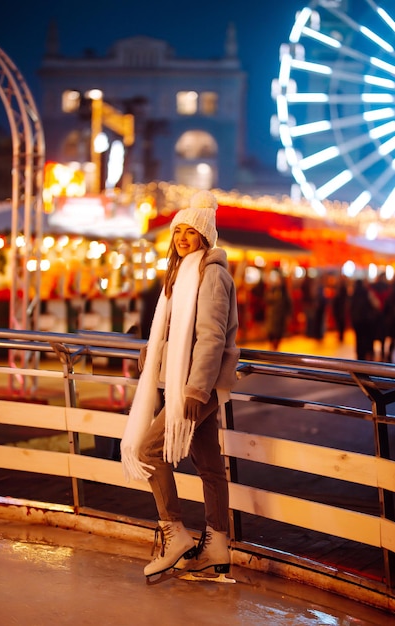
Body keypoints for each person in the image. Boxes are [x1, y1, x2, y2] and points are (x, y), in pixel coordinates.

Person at [121, 190, 239, 582]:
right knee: (209, 465)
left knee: (148, 450)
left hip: (195, 385)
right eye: (178, 232)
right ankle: (217, 545)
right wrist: (152, 356)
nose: (183, 238)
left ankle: (175, 535)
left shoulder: (212, 274)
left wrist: (194, 392)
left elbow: (211, 338)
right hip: (185, 379)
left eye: (192, 232)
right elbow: (178, 334)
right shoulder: (183, 273)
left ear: (206, 236)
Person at [264, 269, 292, 350]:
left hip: (280, 316)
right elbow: (266, 299)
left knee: (278, 333)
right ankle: (272, 346)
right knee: (271, 332)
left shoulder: (284, 292)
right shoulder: (272, 290)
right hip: (272, 315)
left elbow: (288, 304)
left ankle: (276, 347)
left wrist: (288, 315)